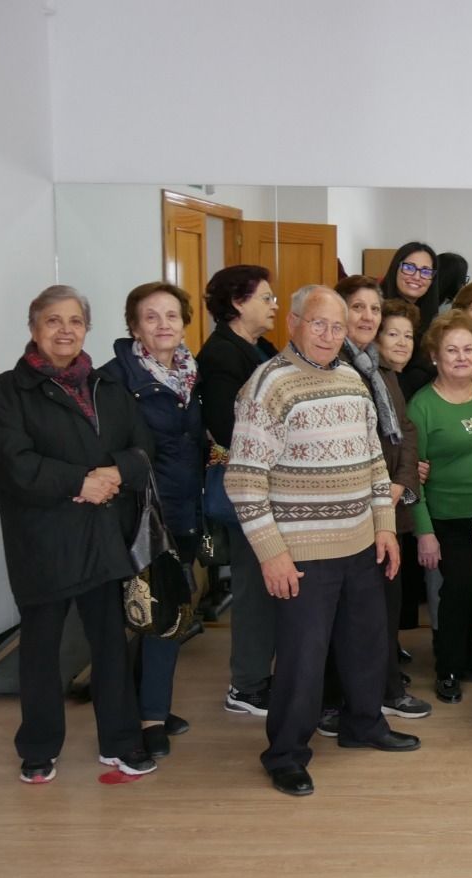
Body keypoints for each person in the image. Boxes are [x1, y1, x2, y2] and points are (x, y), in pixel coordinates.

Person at [226, 284, 419, 797]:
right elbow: (243, 480)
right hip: (302, 553)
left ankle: (363, 725)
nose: (329, 335)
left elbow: (376, 463)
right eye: (318, 324)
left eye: (337, 326)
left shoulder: (354, 381)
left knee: (366, 646)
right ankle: (285, 753)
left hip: (359, 544)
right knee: (303, 661)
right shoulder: (267, 386)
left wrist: (383, 526)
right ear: (292, 323)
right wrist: (272, 553)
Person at [0, 284, 157, 784]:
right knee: (41, 648)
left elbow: (143, 448)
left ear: (87, 328)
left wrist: (115, 475)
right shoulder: (6, 392)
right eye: (53, 321)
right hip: (43, 539)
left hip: (103, 534)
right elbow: (14, 464)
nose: (65, 330)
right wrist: (81, 481)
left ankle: (121, 743)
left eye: (75, 321)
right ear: (34, 328)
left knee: (109, 644)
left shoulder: (108, 387)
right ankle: (37, 748)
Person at [97, 282, 208, 759]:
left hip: (182, 510)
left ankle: (151, 705)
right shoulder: (115, 378)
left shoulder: (189, 373)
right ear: (133, 326)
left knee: (167, 612)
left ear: (184, 321)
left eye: (171, 316)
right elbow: (110, 450)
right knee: (155, 614)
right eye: (150, 317)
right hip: (139, 516)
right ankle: (149, 719)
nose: (163, 325)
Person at [335, 275, 431, 719]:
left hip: (391, 507)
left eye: (374, 309)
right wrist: (382, 490)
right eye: (359, 307)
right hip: (352, 512)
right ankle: (339, 701)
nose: (368, 317)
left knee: (386, 607)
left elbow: (405, 432)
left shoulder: (380, 368)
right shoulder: (335, 366)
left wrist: (401, 484)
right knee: (349, 613)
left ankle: (388, 689)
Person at [407, 310, 472, 704]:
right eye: (451, 350)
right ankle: (448, 666)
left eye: (468, 349)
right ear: (435, 355)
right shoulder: (423, 406)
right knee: (459, 589)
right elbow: (412, 475)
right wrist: (425, 532)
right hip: (447, 516)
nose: (461, 357)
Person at [196, 264, 279, 717]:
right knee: (252, 588)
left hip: (274, 485)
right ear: (237, 302)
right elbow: (230, 428)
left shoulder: (258, 347)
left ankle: (261, 675)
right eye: (266, 297)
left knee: (268, 587)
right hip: (250, 489)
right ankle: (246, 685)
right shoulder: (221, 355)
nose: (274, 306)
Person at [375, 300, 430, 637]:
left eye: (407, 336)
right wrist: (402, 479)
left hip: (395, 497)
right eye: (392, 334)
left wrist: (405, 478)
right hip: (378, 503)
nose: (401, 342)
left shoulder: (389, 377)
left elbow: (406, 433)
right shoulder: (373, 375)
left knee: (389, 593)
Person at [381, 241, 439, 397]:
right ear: (396, 268)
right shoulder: (376, 310)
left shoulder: (432, 317)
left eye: (426, 271)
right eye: (409, 268)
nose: (417, 276)